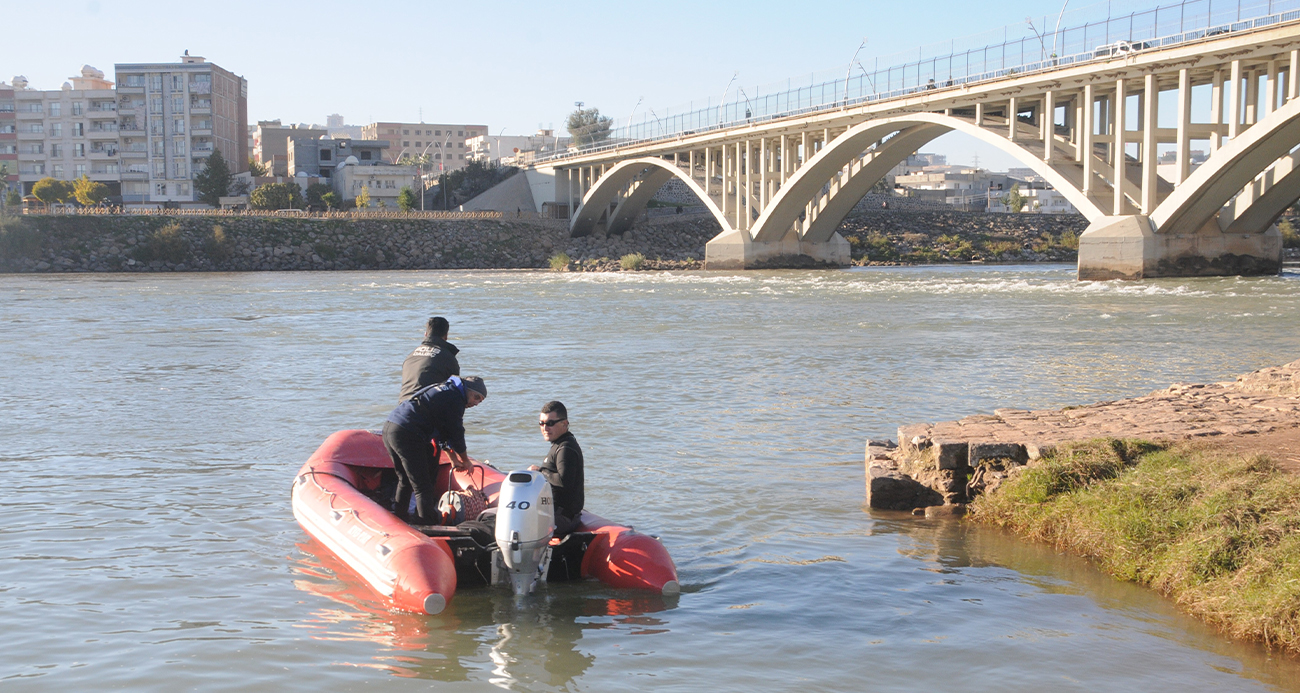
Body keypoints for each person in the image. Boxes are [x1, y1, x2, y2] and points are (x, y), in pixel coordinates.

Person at [383, 375, 487, 524]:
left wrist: (453, 460)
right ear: (467, 390)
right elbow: (456, 433)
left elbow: (443, 431)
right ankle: (426, 524)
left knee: (405, 479)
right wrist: (465, 461)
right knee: (423, 485)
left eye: (480, 401)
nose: (476, 403)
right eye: (476, 397)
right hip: (408, 433)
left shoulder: (444, 389)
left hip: (391, 427)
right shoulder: (456, 398)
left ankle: (400, 518)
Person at [529, 401, 584, 537]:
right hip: (554, 512)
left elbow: (564, 481)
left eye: (550, 423)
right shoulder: (560, 444)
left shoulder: (566, 448)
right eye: (541, 423)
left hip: (562, 518)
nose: (545, 428)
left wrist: (541, 471)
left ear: (564, 424)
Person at [399, 316, 460, 402]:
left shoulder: (411, 356)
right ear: (446, 336)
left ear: (425, 334)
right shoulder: (448, 357)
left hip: (402, 407)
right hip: (426, 407)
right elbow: (455, 390)